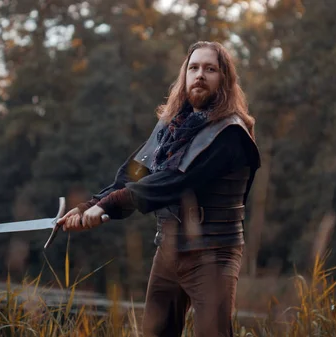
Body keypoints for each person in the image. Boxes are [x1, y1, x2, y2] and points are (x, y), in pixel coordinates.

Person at [57, 41, 261, 337]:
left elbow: (173, 181)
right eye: (193, 68)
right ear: (184, 75)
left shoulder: (230, 133)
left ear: (224, 79)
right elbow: (133, 175)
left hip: (213, 256)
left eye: (210, 69)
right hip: (168, 251)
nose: (200, 75)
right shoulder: (171, 127)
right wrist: (87, 207)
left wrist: (109, 206)